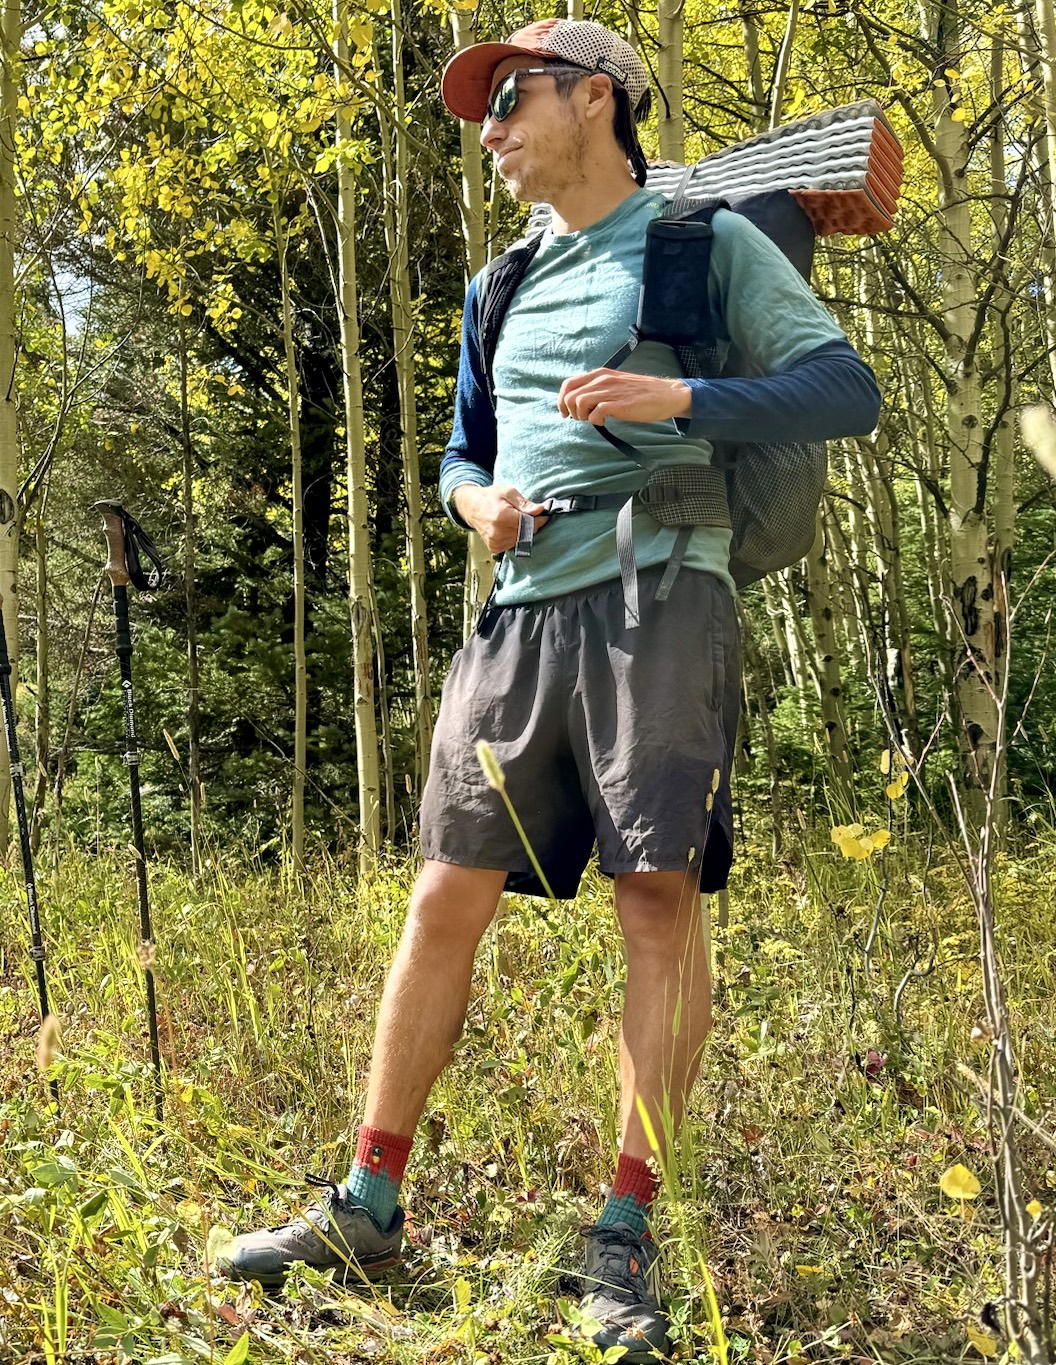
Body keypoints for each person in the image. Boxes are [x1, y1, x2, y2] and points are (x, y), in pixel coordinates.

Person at [212, 18, 882, 1361]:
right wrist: (478, 506)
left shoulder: (705, 247)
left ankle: (623, 1237)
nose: (489, 125)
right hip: (518, 614)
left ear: (596, 99)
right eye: (482, 106)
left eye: (510, 97)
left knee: (655, 901)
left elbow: (844, 390)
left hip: (663, 595)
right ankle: (368, 1199)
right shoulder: (498, 284)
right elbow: (458, 450)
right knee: (442, 892)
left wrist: (678, 399)